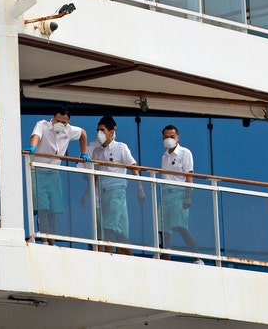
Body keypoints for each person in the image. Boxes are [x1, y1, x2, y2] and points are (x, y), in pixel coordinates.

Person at [24, 106, 91, 241]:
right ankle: (43, 238)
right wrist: (33, 147)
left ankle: (52, 240)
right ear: (53, 118)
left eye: (64, 122)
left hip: (54, 174)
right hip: (37, 171)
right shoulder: (43, 125)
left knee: (54, 209)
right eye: (59, 121)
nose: (61, 124)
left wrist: (83, 152)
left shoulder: (69, 130)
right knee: (43, 208)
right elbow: (36, 136)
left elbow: (83, 133)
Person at [81, 116, 144, 254]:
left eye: (102, 130)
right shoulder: (97, 151)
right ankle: (128, 255)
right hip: (103, 193)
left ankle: (108, 255)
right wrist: (87, 194)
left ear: (111, 132)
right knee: (115, 228)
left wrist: (140, 189)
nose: (99, 133)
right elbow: (95, 176)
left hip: (117, 191)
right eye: (98, 130)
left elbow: (133, 167)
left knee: (109, 226)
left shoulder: (121, 148)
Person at [158, 125, 201, 263]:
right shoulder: (164, 156)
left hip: (179, 193)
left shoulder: (185, 153)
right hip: (166, 194)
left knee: (181, 226)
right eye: (166, 136)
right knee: (162, 227)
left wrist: (188, 196)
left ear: (178, 138)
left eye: (172, 136)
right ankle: (166, 256)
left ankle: (197, 257)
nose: (169, 139)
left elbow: (189, 176)